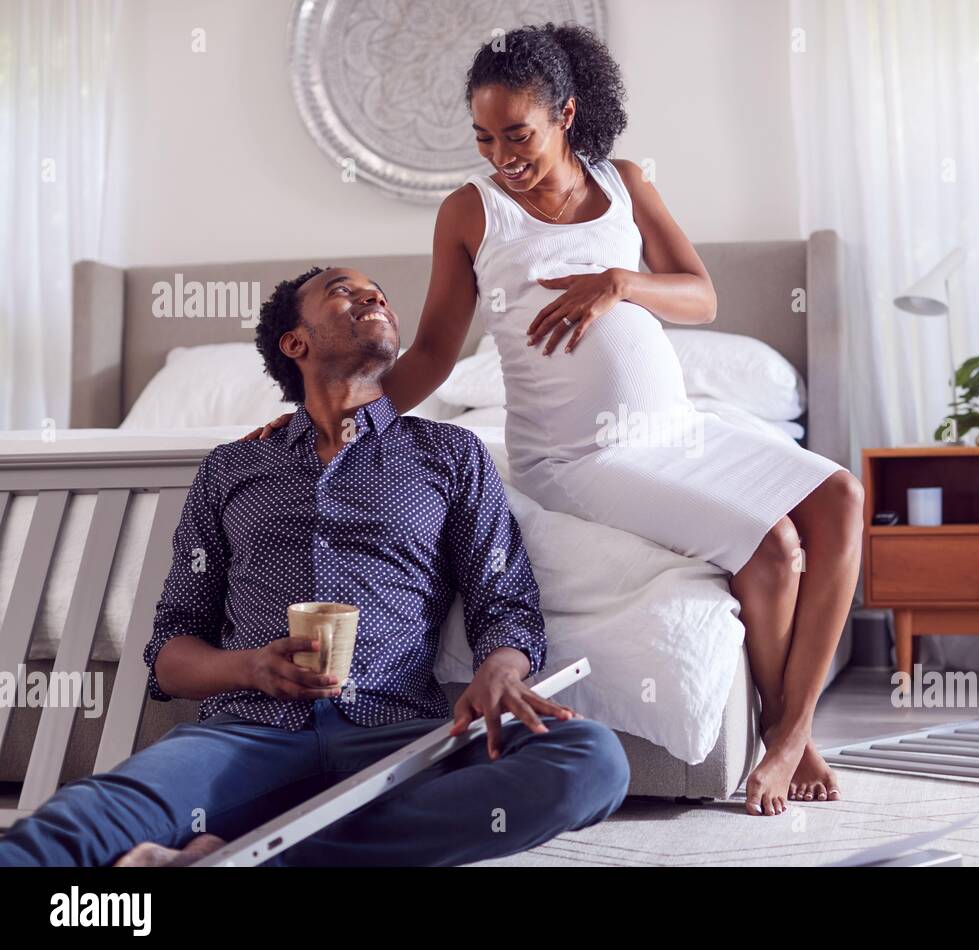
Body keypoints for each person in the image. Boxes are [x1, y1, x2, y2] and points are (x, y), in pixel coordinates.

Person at [245, 23, 863, 817]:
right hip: (578, 459)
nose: (502, 155)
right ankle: (788, 741)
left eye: (518, 135)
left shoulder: (626, 182)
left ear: (566, 114)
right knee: (774, 547)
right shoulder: (472, 213)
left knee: (842, 497)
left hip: (679, 431)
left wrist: (619, 281)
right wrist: (322, 422)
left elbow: (701, 296)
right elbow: (434, 353)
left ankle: (791, 729)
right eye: (484, 138)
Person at [0, 266, 629, 867]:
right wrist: (249, 668)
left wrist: (499, 669)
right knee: (78, 821)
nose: (373, 298)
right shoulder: (231, 469)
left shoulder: (449, 453)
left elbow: (507, 605)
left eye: (378, 293)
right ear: (295, 341)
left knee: (592, 760)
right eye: (343, 292)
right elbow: (170, 651)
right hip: (245, 737)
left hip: (398, 739)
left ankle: (235, 859)